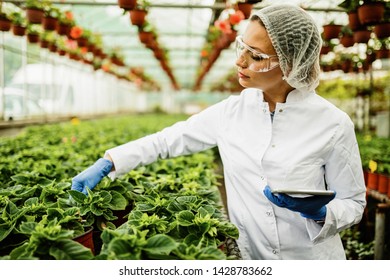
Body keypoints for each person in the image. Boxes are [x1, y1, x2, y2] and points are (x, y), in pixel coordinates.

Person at [71, 4, 366, 260]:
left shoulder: (332, 123)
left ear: (290, 64)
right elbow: (167, 140)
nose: (240, 61)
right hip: (250, 259)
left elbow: (353, 203)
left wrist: (322, 214)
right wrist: (110, 160)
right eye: (242, 48)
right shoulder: (231, 112)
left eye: (256, 56)